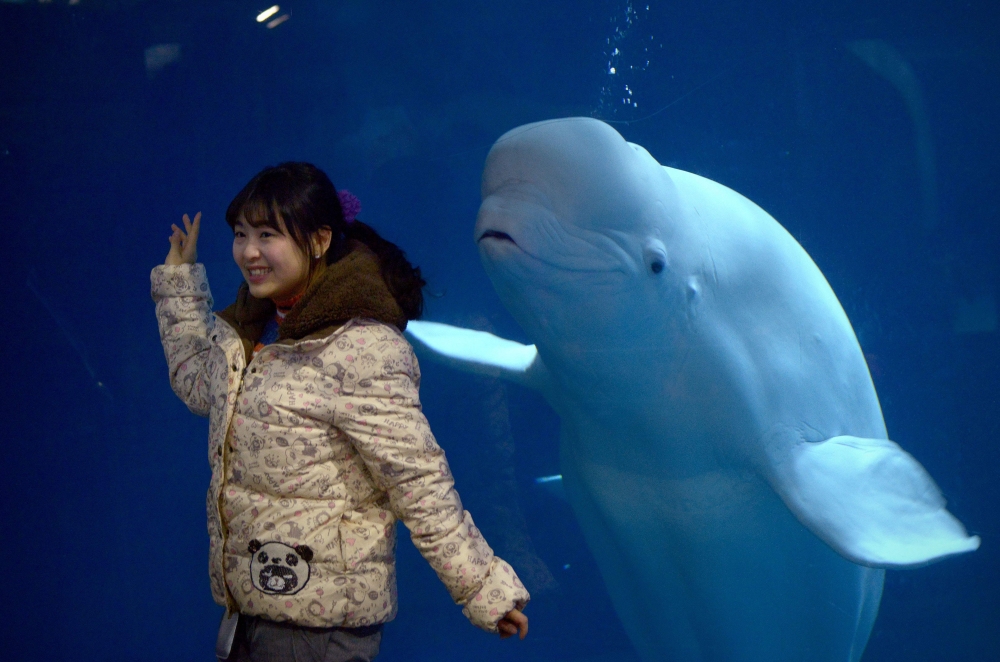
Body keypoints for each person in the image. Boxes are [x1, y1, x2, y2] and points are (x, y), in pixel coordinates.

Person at [152, 162, 529, 661]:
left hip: (320, 630)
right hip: (251, 613)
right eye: (240, 234)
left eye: (268, 234)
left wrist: (484, 589)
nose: (248, 252)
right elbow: (199, 386)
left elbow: (418, 482)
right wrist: (180, 284)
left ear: (319, 239)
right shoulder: (253, 331)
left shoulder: (361, 350)